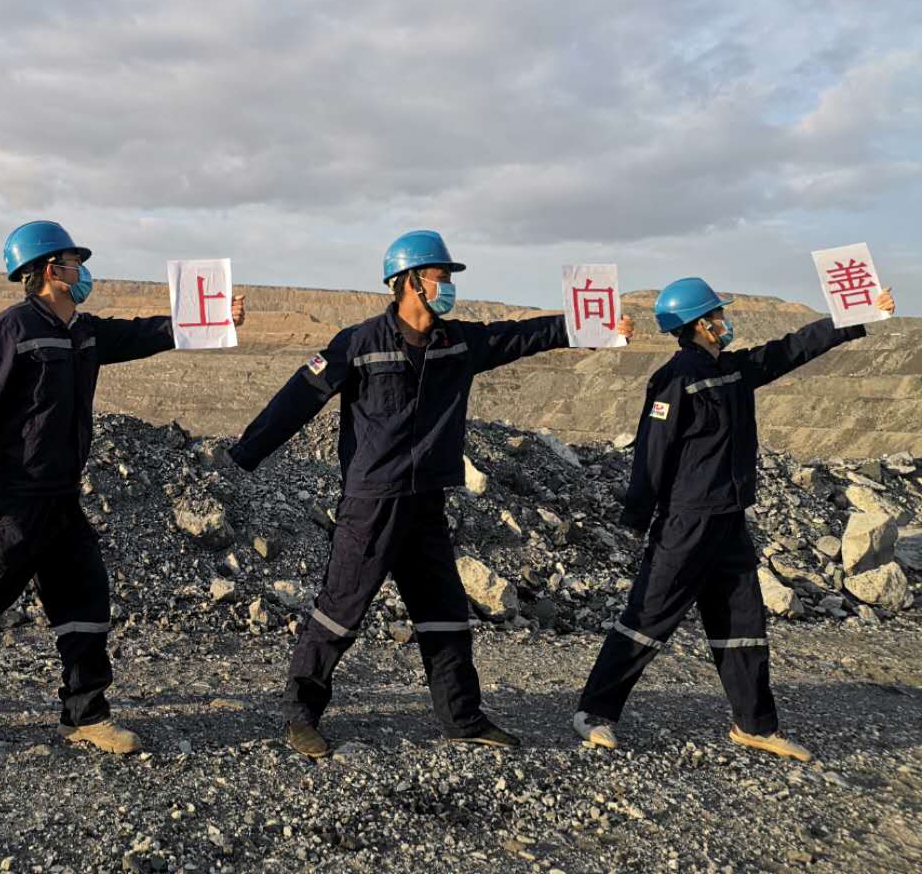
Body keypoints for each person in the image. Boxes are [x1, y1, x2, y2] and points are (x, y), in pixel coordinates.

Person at [228, 230, 634, 758]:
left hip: (427, 501)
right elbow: (300, 396)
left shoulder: (458, 342)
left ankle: (463, 718)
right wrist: (248, 452)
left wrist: (593, 328)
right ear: (409, 282)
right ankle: (300, 715)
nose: (448, 287)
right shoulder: (359, 342)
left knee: (443, 613)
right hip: (371, 501)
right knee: (340, 611)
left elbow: (524, 335)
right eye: (440, 277)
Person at [0, 220, 245, 758]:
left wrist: (213, 318)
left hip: (62, 496)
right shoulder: (11, 329)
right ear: (45, 271)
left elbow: (143, 333)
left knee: (86, 600)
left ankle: (85, 715)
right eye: (72, 262)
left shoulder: (83, 331)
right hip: (16, 502)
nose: (81, 271)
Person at [572, 277, 896, 760]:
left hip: (727, 521)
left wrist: (853, 319)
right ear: (701, 324)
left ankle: (754, 725)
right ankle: (594, 713)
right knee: (647, 618)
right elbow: (652, 454)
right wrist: (639, 516)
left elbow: (791, 349)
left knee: (743, 623)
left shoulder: (733, 370)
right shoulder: (674, 379)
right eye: (719, 316)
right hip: (686, 524)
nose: (726, 323)